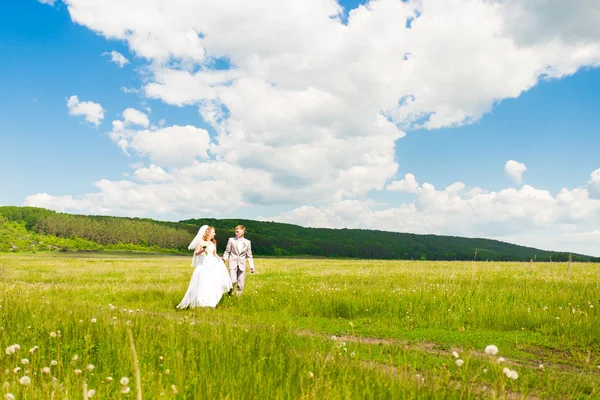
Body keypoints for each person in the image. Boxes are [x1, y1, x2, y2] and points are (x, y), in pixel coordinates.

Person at [176, 225, 232, 309]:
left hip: (212, 264)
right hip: (204, 264)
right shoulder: (201, 242)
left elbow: (214, 254)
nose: (214, 234)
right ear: (208, 233)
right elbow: (197, 253)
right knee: (203, 283)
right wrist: (203, 250)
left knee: (212, 283)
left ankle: (210, 301)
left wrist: (220, 259)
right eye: (213, 232)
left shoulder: (213, 243)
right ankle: (200, 301)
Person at [223, 225, 255, 296]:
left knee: (241, 283)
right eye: (235, 232)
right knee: (232, 280)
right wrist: (224, 258)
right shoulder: (231, 240)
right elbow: (227, 251)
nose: (236, 233)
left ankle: (238, 298)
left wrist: (252, 266)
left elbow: (249, 256)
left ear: (243, 232)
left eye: (237, 232)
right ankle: (229, 294)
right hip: (233, 263)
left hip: (242, 264)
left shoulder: (247, 242)